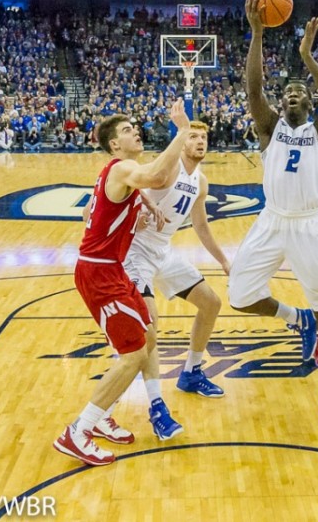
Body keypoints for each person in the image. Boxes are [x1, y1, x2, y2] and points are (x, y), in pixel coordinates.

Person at [228, 0, 318, 423]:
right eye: (288, 93)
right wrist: (258, 33)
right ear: (281, 104)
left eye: (300, 92)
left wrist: (307, 57)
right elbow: (253, 89)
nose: (293, 95)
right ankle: (294, 319)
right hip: (271, 220)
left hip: (309, 224)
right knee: (240, 296)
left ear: (309, 102)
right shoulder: (268, 128)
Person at [54, 100, 191, 467]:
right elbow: (159, 177)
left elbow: (97, 207)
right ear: (114, 144)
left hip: (110, 269)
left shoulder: (114, 171)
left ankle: (101, 418)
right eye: (128, 130)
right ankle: (78, 431)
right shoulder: (124, 167)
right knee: (132, 354)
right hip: (100, 272)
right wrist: (181, 131)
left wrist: (144, 205)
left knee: (145, 340)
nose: (136, 132)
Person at [123, 121, 232, 419]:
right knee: (150, 328)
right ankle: (156, 404)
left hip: (164, 250)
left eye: (204, 137)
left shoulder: (201, 181)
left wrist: (223, 260)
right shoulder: (166, 169)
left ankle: (191, 372)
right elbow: (123, 193)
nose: (200, 141)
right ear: (182, 143)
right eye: (193, 136)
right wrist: (134, 219)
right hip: (136, 252)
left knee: (211, 303)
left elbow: (200, 225)